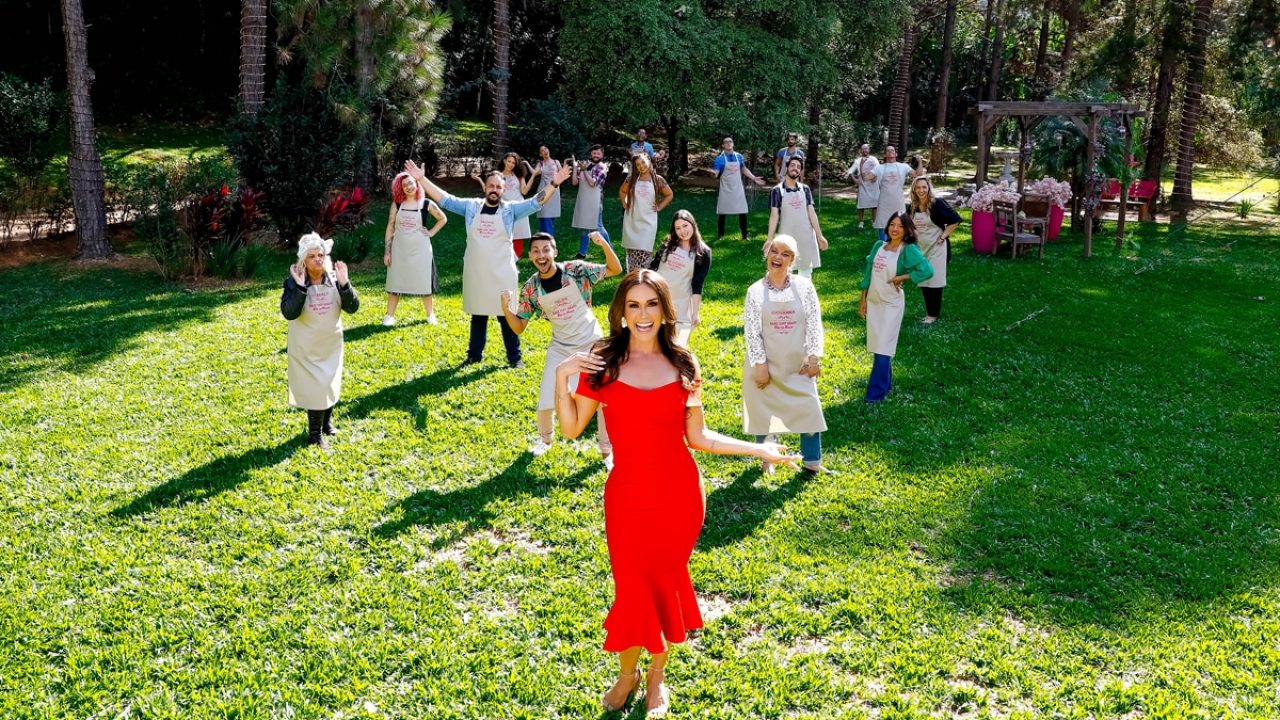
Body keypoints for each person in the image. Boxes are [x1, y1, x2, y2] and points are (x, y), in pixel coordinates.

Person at [554, 270, 799, 717]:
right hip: (627, 495)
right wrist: (562, 377)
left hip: (679, 496)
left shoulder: (685, 362)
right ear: (622, 312)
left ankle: (655, 679)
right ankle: (627, 675)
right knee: (632, 589)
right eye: (633, 305)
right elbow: (571, 429)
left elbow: (699, 437)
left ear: (666, 309)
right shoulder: (603, 360)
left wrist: (758, 448)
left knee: (664, 585)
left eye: (651, 304)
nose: (643, 314)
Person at [403, 158, 571, 367]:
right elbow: (445, 199)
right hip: (477, 271)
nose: (494, 189)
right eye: (491, 185)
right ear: (485, 187)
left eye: (498, 187)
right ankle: (474, 356)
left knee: (506, 315)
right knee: (478, 314)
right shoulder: (471, 207)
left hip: (502, 272)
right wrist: (422, 179)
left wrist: (554, 183)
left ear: (503, 190)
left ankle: (514, 357)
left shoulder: (511, 210)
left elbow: (537, 201)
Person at [500, 231, 622, 460]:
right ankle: (545, 440)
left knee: (602, 398)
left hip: (590, 342)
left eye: (546, 249)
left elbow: (615, 269)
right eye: (535, 251)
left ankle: (607, 451)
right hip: (561, 346)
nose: (541, 255)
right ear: (530, 256)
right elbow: (519, 328)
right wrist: (506, 308)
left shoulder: (577, 270)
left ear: (554, 252)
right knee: (547, 393)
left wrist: (603, 243)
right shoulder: (531, 288)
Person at [742, 234, 828, 474]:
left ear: (793, 260)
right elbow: (752, 331)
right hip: (766, 363)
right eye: (774, 251)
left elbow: (814, 323)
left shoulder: (804, 287)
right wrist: (760, 365)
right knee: (762, 412)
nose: (778, 257)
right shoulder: (755, 291)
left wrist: (813, 358)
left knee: (808, 407)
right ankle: (767, 459)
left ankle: (812, 462)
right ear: (767, 254)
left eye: (785, 254)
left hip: (796, 364)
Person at [281, 233, 360, 449]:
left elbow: (352, 308)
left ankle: (327, 423)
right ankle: (314, 435)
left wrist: (345, 285)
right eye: (312, 256)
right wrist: (299, 288)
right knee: (316, 387)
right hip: (306, 345)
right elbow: (289, 313)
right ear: (303, 260)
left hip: (330, 343)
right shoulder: (293, 281)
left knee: (329, 382)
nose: (318, 259)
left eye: (320, 255)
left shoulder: (334, 279)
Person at [858, 212, 934, 403]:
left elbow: (927, 270)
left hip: (892, 304)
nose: (895, 229)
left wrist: (903, 277)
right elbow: (868, 274)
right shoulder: (879, 246)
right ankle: (887, 384)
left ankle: (874, 395)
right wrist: (863, 300)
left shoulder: (907, 250)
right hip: (874, 302)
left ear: (907, 229)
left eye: (900, 226)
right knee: (879, 346)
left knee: (884, 347)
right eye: (892, 224)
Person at [382, 171, 447, 326]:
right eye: (405, 185)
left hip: (421, 250)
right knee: (395, 281)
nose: (409, 187)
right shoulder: (397, 204)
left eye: (411, 183)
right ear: (400, 188)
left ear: (417, 184)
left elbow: (443, 218)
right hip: (399, 249)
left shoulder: (426, 204)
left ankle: (430, 315)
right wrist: (387, 252)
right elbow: (390, 226)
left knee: (424, 281)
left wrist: (431, 232)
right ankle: (389, 316)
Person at [649, 209, 712, 347]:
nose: (682, 231)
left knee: (679, 346)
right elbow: (652, 268)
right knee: (655, 344)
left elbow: (697, 284)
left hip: (681, 306)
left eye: (685, 225)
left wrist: (695, 313)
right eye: (678, 228)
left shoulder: (703, 252)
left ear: (692, 224)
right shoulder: (666, 245)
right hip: (657, 299)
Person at [908, 176, 961, 324]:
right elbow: (908, 225)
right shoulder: (913, 206)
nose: (921, 190)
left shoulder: (937, 204)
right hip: (921, 248)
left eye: (924, 187)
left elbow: (955, 219)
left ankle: (933, 315)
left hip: (938, 248)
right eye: (918, 187)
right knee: (924, 279)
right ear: (914, 189)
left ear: (929, 188)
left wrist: (943, 236)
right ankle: (929, 312)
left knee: (935, 281)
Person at [765, 156, 828, 277]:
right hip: (786, 235)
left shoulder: (805, 189)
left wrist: (820, 236)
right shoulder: (777, 191)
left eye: (799, 167)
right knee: (784, 269)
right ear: (787, 167)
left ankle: (804, 295)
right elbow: (774, 216)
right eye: (793, 165)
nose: (795, 168)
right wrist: (769, 239)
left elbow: (811, 213)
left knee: (806, 270)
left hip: (806, 235)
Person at [619, 152, 674, 272]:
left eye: (643, 162)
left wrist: (659, 207)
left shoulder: (658, 180)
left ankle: (645, 277)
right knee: (632, 252)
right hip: (632, 220)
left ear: (649, 161)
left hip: (648, 221)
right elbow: (622, 191)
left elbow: (669, 195)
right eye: (638, 165)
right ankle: (632, 277)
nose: (641, 166)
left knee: (645, 251)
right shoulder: (631, 179)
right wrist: (625, 202)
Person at [863, 145, 922, 242]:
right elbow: (866, 178)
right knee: (883, 226)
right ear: (885, 154)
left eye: (892, 150)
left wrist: (920, 161)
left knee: (901, 225)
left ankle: (899, 249)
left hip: (898, 202)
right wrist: (863, 165)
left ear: (896, 153)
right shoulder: (879, 168)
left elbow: (918, 174)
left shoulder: (903, 167)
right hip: (884, 204)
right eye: (888, 150)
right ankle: (883, 249)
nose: (890, 152)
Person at [713, 136, 765, 242]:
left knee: (742, 211)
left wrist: (754, 178)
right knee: (722, 212)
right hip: (725, 189)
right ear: (723, 145)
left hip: (738, 188)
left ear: (733, 144)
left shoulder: (739, 156)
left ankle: (745, 235)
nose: (728, 143)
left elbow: (743, 169)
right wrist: (712, 174)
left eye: (730, 141)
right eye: (725, 142)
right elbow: (716, 173)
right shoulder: (719, 159)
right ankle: (720, 235)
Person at [483, 152, 535, 259]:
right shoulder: (497, 176)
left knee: (518, 235)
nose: (511, 164)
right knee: (503, 235)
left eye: (513, 163)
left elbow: (524, 191)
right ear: (504, 161)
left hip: (519, 207)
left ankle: (514, 261)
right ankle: (503, 258)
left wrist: (533, 175)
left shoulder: (519, 175)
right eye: (509, 161)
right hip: (505, 208)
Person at [570, 144, 611, 260]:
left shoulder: (601, 167)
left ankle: (610, 249)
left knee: (598, 226)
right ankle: (582, 253)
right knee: (584, 227)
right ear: (591, 154)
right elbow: (574, 182)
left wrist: (584, 171)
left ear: (602, 155)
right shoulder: (585, 164)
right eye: (594, 153)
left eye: (598, 153)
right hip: (583, 200)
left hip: (595, 202)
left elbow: (593, 183)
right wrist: (574, 167)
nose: (596, 155)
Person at [844, 144, 880, 229]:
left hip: (873, 184)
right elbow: (850, 171)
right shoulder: (858, 161)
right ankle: (861, 222)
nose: (865, 150)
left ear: (869, 150)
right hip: (863, 184)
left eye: (866, 149)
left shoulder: (874, 159)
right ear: (861, 150)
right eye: (863, 149)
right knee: (861, 204)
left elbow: (879, 169)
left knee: (875, 204)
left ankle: (874, 222)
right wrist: (855, 179)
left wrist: (876, 176)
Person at [531, 145, 562, 236]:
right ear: (541, 154)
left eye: (545, 149)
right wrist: (526, 163)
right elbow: (534, 173)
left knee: (550, 218)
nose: (545, 151)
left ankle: (542, 238)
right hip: (543, 191)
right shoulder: (541, 163)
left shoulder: (556, 162)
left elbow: (562, 175)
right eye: (542, 151)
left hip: (554, 192)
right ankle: (549, 241)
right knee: (544, 216)